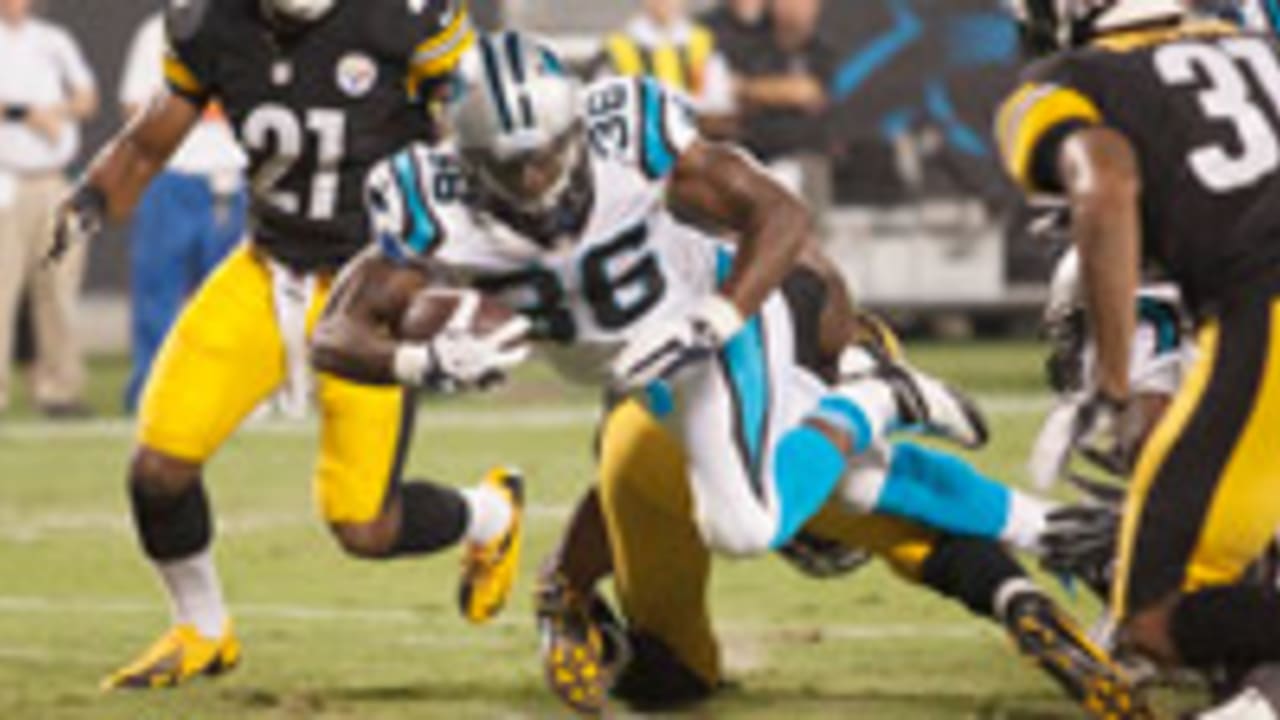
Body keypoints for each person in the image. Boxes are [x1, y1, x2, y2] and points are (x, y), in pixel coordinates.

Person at [313, 32, 1142, 716]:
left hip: (708, 337)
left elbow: (781, 218)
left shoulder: (628, 131)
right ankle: (1035, 522)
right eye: (511, 167)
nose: (534, 184)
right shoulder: (432, 199)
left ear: (575, 129)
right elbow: (339, 332)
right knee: (835, 491)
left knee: (750, 523)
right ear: (467, 157)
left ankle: (878, 399)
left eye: (545, 158)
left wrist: (713, 318)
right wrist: (417, 358)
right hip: (647, 379)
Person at [49, 0, 527, 690]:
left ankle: (490, 513)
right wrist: (91, 198)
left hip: (373, 283)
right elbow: (149, 142)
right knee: (158, 467)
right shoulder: (209, 23)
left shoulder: (404, 18)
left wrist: (479, 253)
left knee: (364, 525)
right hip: (266, 266)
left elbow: (481, 130)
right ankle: (202, 629)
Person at [997, 0, 1280, 714]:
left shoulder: (1064, 82)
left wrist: (1115, 383)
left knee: (1154, 613)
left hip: (1264, 313)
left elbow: (1105, 185)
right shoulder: (1259, 47)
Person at [117, 11, 248, 413]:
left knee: (230, 297)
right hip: (174, 173)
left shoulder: (250, 28)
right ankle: (151, 391)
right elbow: (134, 106)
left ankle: (223, 393)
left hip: (234, 172)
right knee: (158, 288)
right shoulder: (157, 31)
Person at [0, 0, 97, 418]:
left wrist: (56, 111)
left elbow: (87, 99)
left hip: (55, 179)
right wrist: (26, 114)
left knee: (58, 288)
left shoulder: (53, 41)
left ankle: (59, 390)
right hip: (6, 178)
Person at [591, 0, 736, 121]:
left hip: (695, 142)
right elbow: (605, 108)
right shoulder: (617, 47)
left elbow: (719, 103)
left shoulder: (703, 44)